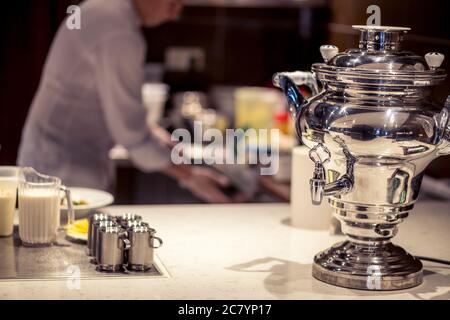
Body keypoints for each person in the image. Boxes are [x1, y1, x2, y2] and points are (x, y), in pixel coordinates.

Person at [17, 0, 232, 203]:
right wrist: (191, 176)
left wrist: (157, 135)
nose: (175, 13)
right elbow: (132, 136)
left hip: (52, 161)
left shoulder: (105, 9)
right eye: (172, 2)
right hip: (65, 173)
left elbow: (107, 102)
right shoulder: (119, 32)